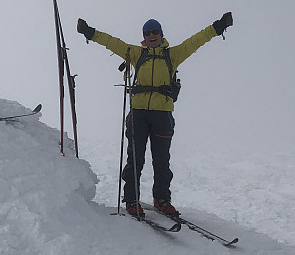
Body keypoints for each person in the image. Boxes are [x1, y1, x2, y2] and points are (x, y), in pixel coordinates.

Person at [76, 12, 233, 218]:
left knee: (161, 161)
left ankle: (162, 200)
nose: (152, 35)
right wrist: (90, 32)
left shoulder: (173, 55)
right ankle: (131, 200)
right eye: (148, 33)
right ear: (144, 36)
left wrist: (218, 26)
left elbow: (196, 41)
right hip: (139, 114)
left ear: (161, 34)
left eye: (155, 32)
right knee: (135, 159)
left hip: (162, 116)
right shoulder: (136, 53)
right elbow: (112, 42)